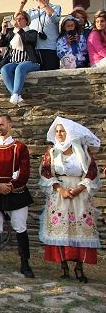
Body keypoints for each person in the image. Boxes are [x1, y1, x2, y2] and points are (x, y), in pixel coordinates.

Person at [39, 117, 101, 283]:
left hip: (79, 194)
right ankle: (64, 267)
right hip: (59, 193)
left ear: (70, 133)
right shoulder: (52, 152)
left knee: (79, 229)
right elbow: (46, 172)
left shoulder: (83, 150)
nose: (59, 134)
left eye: (62, 131)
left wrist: (80, 188)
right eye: (57, 131)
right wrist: (60, 189)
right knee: (62, 227)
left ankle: (79, 268)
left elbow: (92, 172)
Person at [0, 114, 34, 278]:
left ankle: (25, 264)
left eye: (1, 124)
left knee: (20, 227)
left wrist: (11, 186)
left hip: (16, 193)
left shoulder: (20, 148)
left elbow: (24, 172)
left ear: (10, 125)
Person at [0, 10, 41, 105]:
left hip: (30, 61)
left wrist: (18, 29)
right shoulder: (12, 33)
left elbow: (28, 39)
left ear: (26, 21)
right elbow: (1, 44)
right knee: (4, 69)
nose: (18, 21)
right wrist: (3, 31)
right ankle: (16, 95)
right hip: (14, 61)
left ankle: (15, 94)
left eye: (21, 19)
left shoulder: (31, 32)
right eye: (16, 19)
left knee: (20, 68)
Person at [17, 0, 61, 70]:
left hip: (50, 47)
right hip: (34, 49)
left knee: (51, 74)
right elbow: (17, 19)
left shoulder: (55, 8)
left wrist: (42, 3)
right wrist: (23, 2)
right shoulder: (31, 11)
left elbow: (55, 17)